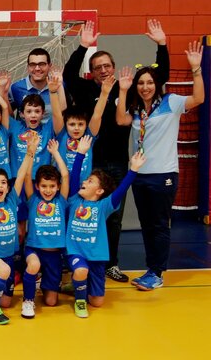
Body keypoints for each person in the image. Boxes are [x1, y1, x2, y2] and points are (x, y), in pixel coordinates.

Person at [63, 19, 170, 283]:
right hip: (92, 163)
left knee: (113, 218)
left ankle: (111, 263)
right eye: (97, 67)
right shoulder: (85, 89)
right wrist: (82, 46)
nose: (103, 70)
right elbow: (68, 76)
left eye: (107, 66)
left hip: (119, 163)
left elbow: (160, 77)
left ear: (113, 67)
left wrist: (162, 45)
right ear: (91, 72)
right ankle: (80, 260)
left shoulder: (128, 88)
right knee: (85, 214)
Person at [116, 41, 205, 291]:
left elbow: (199, 98)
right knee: (147, 225)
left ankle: (157, 273)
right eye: (141, 83)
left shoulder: (171, 102)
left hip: (164, 174)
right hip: (139, 175)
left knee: (159, 225)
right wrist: (123, 90)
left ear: (157, 84)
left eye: (149, 83)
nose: (145, 87)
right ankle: (151, 269)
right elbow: (121, 120)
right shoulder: (135, 109)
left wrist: (196, 69)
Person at [66, 136, 146, 317]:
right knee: (81, 270)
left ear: (100, 191)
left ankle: (78, 284)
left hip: (97, 257)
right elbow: (74, 176)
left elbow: (121, 190)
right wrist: (80, 154)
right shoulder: (74, 200)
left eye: (90, 181)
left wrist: (133, 169)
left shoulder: (104, 206)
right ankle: (79, 300)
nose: (84, 182)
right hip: (76, 252)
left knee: (97, 302)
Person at [0, 133, 39, 324]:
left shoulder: (12, 199)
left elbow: (20, 175)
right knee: (4, 270)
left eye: (3, 183)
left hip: (8, 256)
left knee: (6, 302)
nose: (0, 186)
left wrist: (30, 152)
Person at [22, 139, 69, 318]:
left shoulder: (61, 201)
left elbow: (65, 175)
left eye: (52, 186)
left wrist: (55, 153)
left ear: (58, 187)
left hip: (54, 255)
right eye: (43, 186)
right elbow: (27, 175)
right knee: (33, 265)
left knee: (51, 302)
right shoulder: (33, 199)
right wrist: (31, 152)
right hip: (34, 249)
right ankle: (28, 300)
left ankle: (42, 284)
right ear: (37, 186)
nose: (48, 190)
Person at [50, 72, 112, 182]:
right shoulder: (62, 135)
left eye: (80, 124)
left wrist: (104, 93)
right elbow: (56, 114)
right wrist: (53, 92)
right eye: (72, 124)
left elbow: (97, 115)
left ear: (86, 125)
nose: (76, 128)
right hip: (61, 185)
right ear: (65, 125)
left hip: (83, 187)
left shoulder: (88, 137)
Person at [10, 48, 66, 123]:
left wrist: (60, 86)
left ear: (50, 66)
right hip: (25, 130)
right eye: (32, 65)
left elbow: (64, 114)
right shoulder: (16, 88)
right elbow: (8, 117)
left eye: (42, 64)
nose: (37, 68)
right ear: (28, 67)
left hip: (52, 130)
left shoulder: (60, 86)